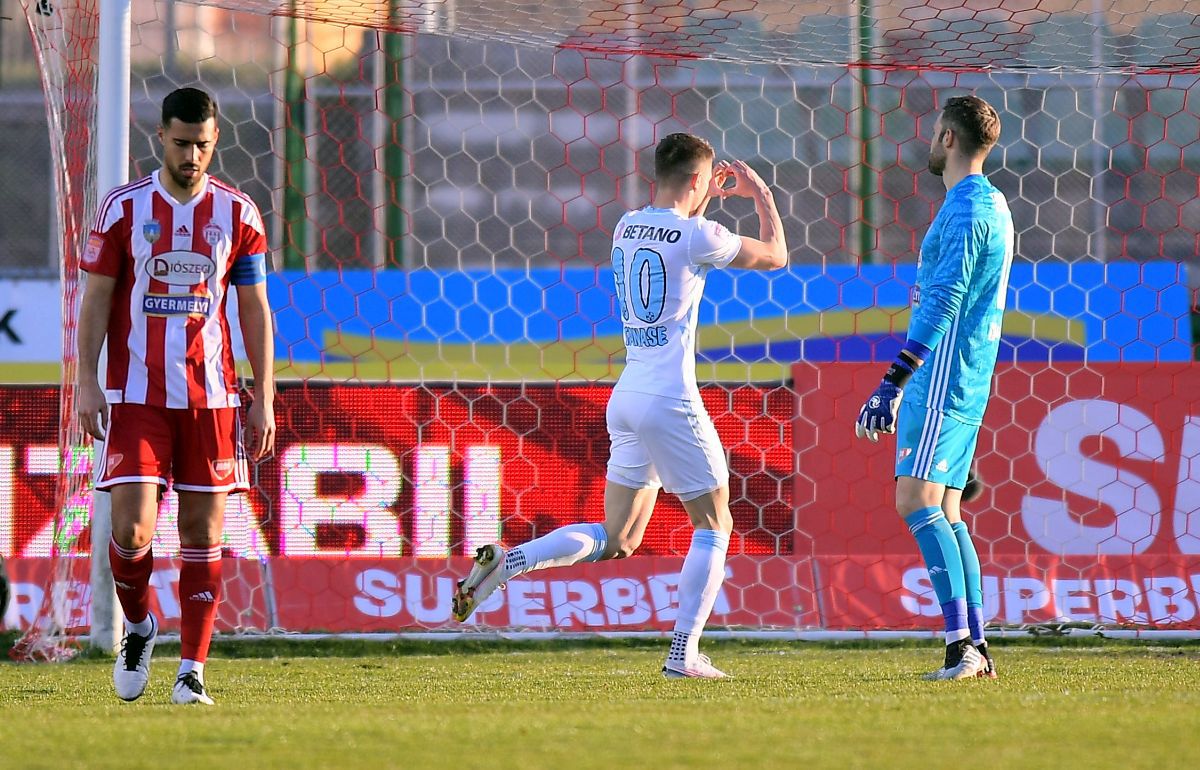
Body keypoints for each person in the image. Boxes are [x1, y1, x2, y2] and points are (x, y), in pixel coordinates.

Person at [453, 133, 787, 678]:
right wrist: (759, 194)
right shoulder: (699, 233)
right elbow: (776, 257)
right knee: (715, 524)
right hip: (670, 397)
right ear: (702, 182)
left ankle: (511, 562)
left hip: (627, 393)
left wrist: (700, 196)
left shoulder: (627, 224)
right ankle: (684, 653)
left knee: (618, 539)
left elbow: (673, 226)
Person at [77, 87, 275, 705]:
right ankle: (138, 626)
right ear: (160, 136)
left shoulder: (239, 214)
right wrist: (85, 378)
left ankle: (192, 671)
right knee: (132, 531)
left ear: (215, 142)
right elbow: (96, 299)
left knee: (201, 532)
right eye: (183, 143)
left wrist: (262, 395)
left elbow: (254, 308)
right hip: (136, 396)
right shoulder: (123, 210)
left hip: (211, 400)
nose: (193, 156)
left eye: (204, 145)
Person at [854, 94, 1012, 681]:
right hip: (968, 374)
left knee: (916, 501)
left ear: (947, 137)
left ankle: (962, 648)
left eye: (932, 130)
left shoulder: (968, 210)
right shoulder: (992, 203)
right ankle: (977, 646)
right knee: (947, 509)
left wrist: (894, 380)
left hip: (944, 373)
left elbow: (944, 301)